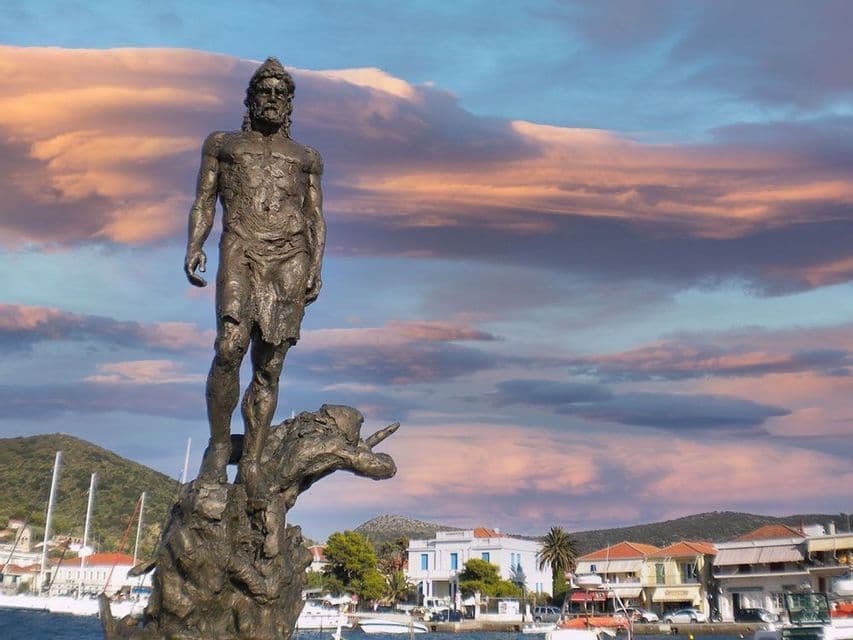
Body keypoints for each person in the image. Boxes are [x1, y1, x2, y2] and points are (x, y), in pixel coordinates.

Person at [183, 58, 326, 499]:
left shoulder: (306, 158)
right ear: (251, 98)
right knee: (229, 347)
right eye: (265, 91)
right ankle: (219, 444)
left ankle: (252, 460)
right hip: (241, 247)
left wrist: (317, 266)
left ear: (290, 104)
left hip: (290, 256)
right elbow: (204, 200)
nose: (272, 99)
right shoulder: (222, 144)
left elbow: (315, 217)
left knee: (270, 364)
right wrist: (194, 244)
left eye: (281, 93)